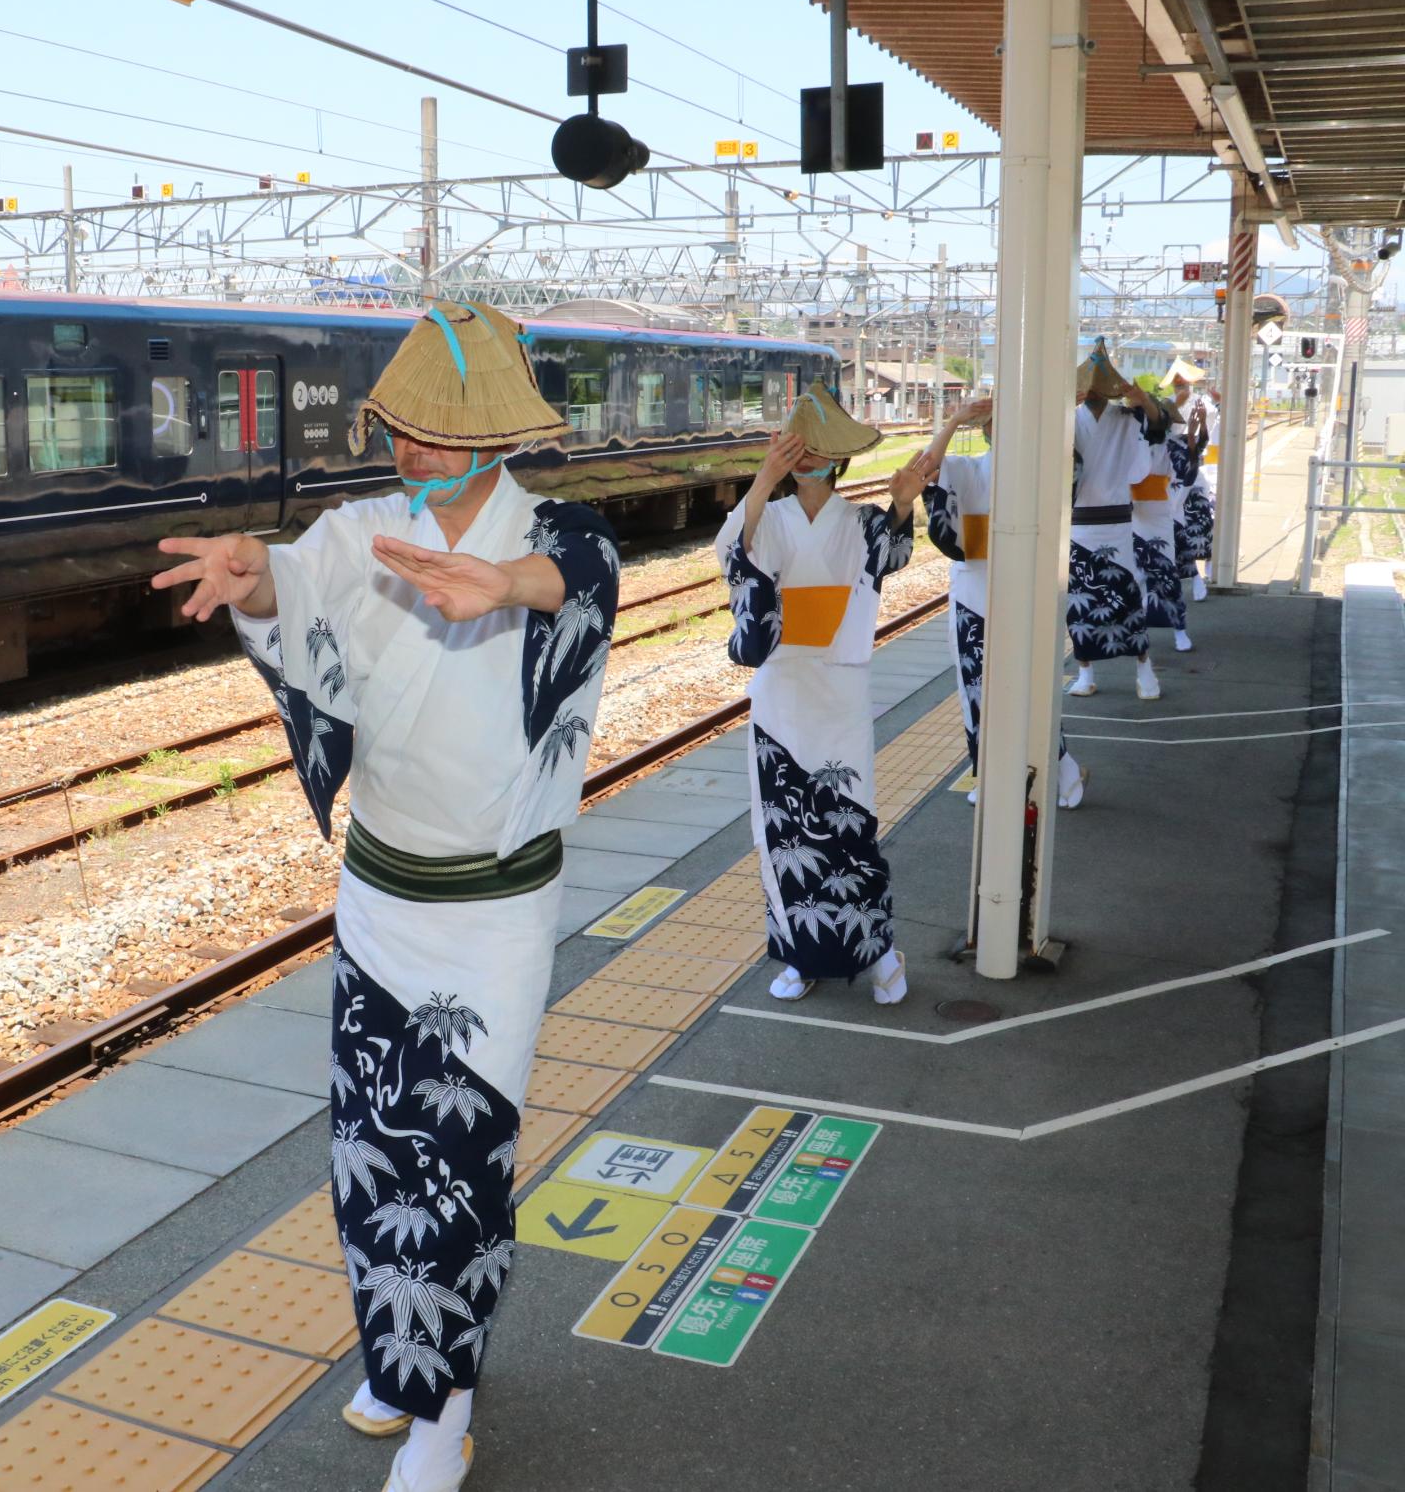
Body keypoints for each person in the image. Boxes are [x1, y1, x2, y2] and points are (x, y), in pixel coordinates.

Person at [152, 300, 617, 1492]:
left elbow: (580, 574)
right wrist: (255, 580)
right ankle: (405, 1358)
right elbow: (296, 593)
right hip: (380, 898)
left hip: (495, 915)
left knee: (457, 1159)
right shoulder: (359, 528)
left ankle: (440, 1414)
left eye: (429, 429)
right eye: (393, 423)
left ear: (492, 437)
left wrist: (501, 585)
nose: (403, 446)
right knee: (369, 1149)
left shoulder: (557, 529)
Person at [718, 381, 929, 1006]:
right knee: (779, 834)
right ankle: (795, 954)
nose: (805, 461)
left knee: (848, 829)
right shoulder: (771, 515)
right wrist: (761, 481)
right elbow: (733, 554)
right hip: (781, 695)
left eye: (816, 452)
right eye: (795, 451)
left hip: (838, 695)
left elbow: (892, 555)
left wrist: (900, 505)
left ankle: (881, 952)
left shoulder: (861, 522)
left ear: (837, 460)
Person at [920, 396, 1088, 809]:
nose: (1002, 429)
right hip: (973, 596)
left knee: (1031, 688)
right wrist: (955, 420)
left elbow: (1074, 465)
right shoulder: (967, 468)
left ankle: (1061, 765)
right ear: (986, 430)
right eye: (995, 423)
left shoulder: (1042, 470)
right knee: (977, 691)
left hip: (1026, 593)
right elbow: (924, 469)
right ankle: (991, 775)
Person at [1067, 344, 1167, 700]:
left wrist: (1145, 401)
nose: (1092, 390)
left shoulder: (1127, 418)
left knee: (1127, 596)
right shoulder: (1066, 419)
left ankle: (1144, 668)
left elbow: (1158, 426)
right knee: (1080, 602)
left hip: (1117, 523)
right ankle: (1085, 671)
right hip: (1078, 526)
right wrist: (1062, 406)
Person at [1131, 399, 1190, 652]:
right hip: (1133, 518)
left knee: (1166, 574)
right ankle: (1138, 625)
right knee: (1135, 575)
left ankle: (1179, 629)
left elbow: (1187, 470)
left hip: (1159, 515)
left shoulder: (1172, 446)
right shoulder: (1132, 444)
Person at [1170, 375, 1216, 602]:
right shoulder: (1162, 438)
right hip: (1171, 494)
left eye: (1183, 385)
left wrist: (1199, 426)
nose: (1181, 388)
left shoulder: (1198, 403)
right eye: (1177, 385)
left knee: (1204, 526)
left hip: (1193, 489)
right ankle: (1194, 576)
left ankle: (1208, 567)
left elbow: (1199, 446)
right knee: (1181, 537)